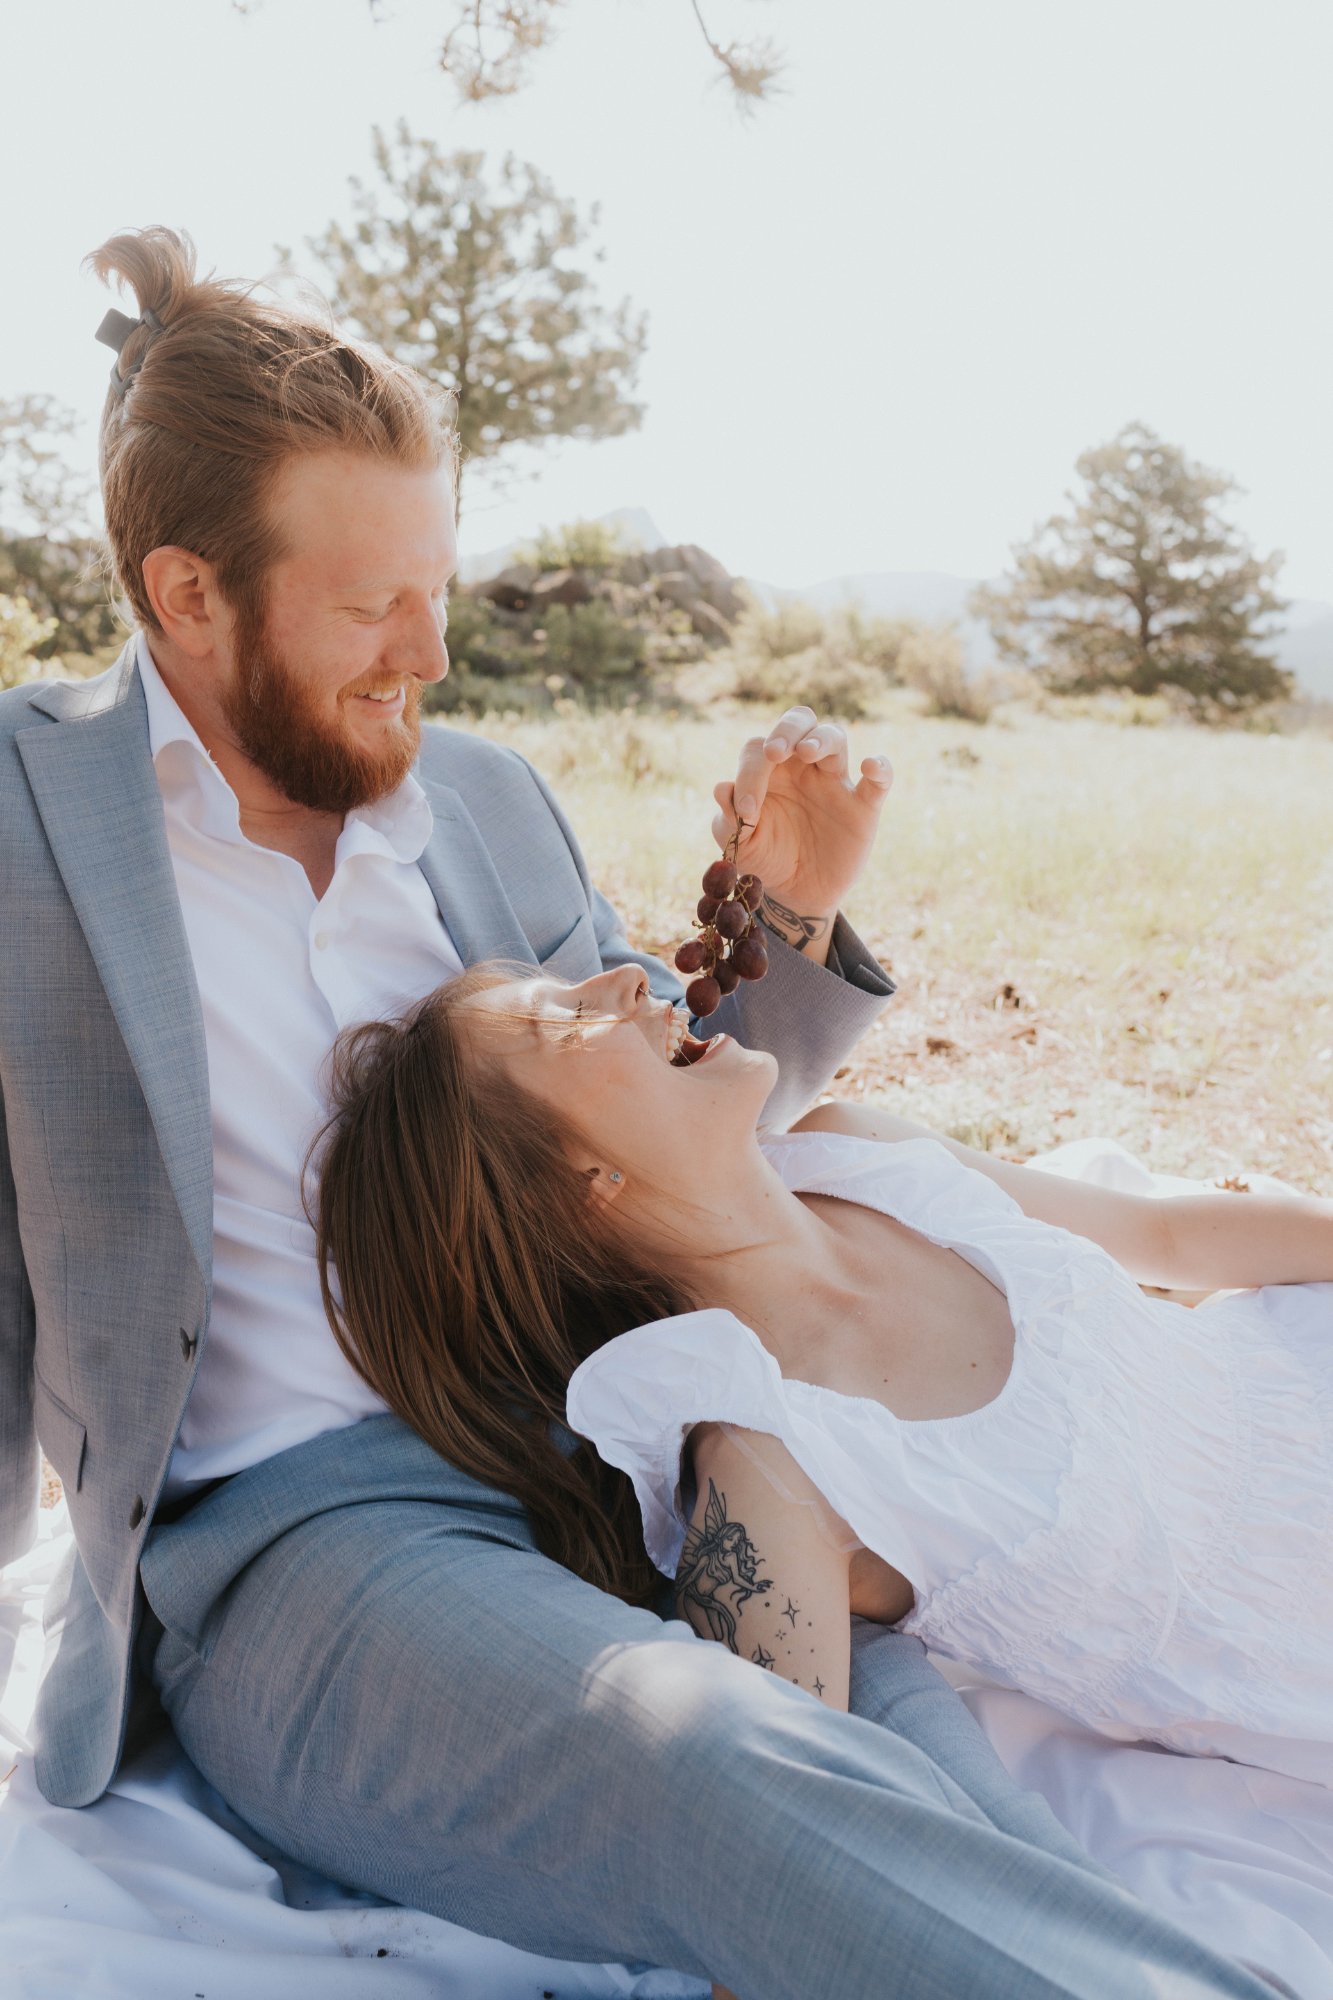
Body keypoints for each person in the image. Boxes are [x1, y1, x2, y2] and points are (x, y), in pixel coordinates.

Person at [0, 222, 1277, 2000]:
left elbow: (672, 1112)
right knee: (724, 1777)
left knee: (940, 1787)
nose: (431, 652)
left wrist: (799, 920)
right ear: (186, 592)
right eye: (371, 605)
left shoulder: (482, 799)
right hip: (312, 1536)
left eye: (437, 583)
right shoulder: (22, 823)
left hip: (630, 1447)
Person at [312, 958, 1333, 1790]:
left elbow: (1165, 1233)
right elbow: (795, 1827)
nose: (627, 977)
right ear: (581, 1188)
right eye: (562, 1023)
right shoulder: (771, 1467)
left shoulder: (854, 1153)